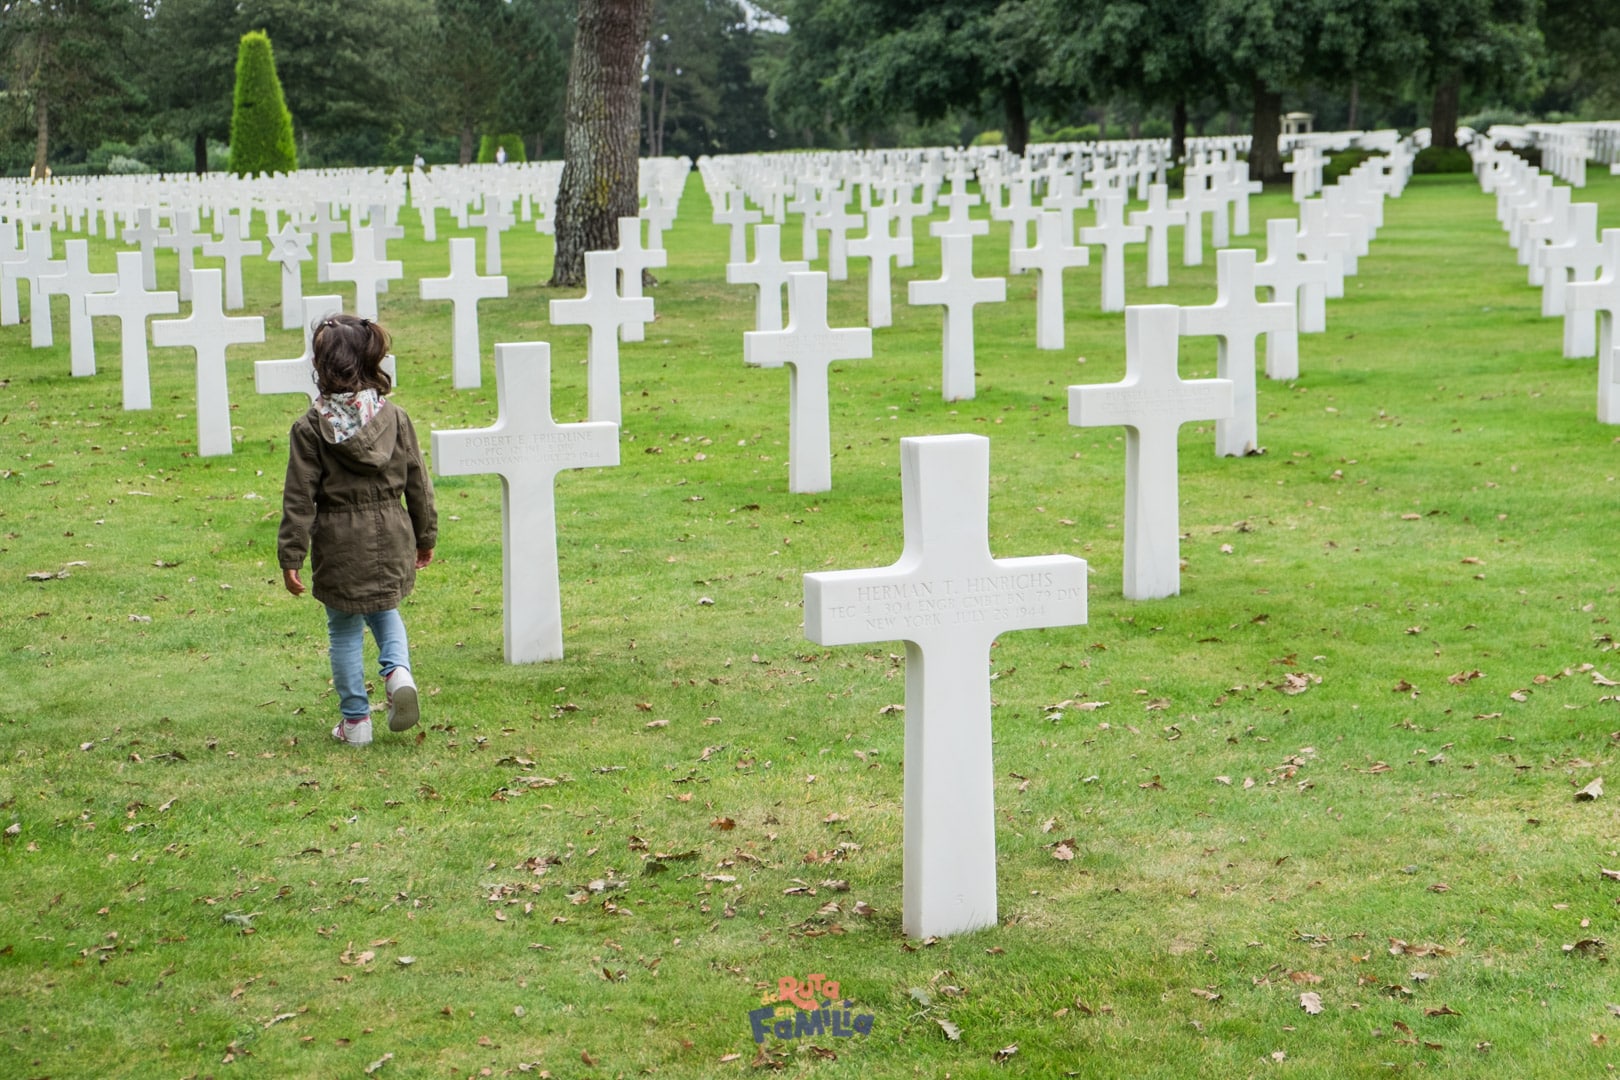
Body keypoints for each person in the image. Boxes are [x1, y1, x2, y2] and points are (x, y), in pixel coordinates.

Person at [278, 314, 437, 747]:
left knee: (344, 629)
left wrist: (291, 556)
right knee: (386, 612)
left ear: (323, 365)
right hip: (391, 532)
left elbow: (299, 497)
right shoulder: (396, 418)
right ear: (372, 360)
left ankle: (356, 722)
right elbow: (419, 483)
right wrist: (425, 537)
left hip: (338, 538)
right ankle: (397, 672)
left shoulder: (310, 427)